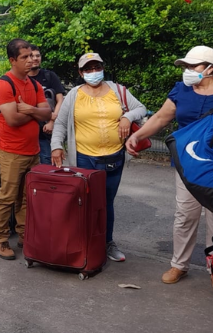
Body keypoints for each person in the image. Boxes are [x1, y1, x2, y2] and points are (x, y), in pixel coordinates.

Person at [125, 46, 213, 291]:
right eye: (185, 67)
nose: (187, 71)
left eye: (193, 66)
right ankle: (179, 264)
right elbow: (160, 118)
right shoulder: (181, 90)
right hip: (187, 164)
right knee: (185, 215)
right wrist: (137, 137)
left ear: (210, 68)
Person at [51, 52, 146, 263]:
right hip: (85, 159)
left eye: (96, 67)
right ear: (81, 72)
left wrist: (126, 117)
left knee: (106, 203)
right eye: (88, 69)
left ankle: (107, 242)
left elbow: (141, 108)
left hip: (114, 157)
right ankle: (83, 243)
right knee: (84, 202)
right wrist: (56, 146)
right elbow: (60, 124)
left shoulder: (118, 90)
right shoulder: (74, 95)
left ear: (102, 68)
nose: (93, 72)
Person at [0, 39, 53, 260]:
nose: (30, 60)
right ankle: (1, 238)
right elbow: (13, 119)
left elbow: (48, 114)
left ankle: (26, 236)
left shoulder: (34, 85)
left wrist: (27, 108)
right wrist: (36, 111)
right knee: (7, 197)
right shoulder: (4, 85)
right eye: (24, 57)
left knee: (27, 198)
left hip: (33, 151)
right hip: (11, 152)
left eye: (32, 56)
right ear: (12, 60)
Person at [27, 44, 66, 165]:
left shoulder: (49, 76)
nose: (35, 58)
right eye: (31, 56)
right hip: (27, 132)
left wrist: (52, 122)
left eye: (38, 55)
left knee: (48, 165)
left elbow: (60, 100)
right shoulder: (21, 79)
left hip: (46, 132)